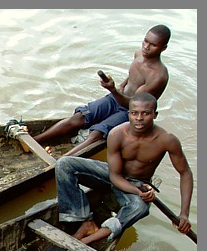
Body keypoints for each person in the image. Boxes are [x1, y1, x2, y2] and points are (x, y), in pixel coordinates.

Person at [56, 92, 193, 251]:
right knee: (64, 164)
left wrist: (184, 214)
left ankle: (90, 240)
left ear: (155, 115)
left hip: (138, 181)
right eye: (134, 113)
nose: (139, 118)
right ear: (128, 114)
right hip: (113, 174)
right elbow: (115, 176)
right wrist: (138, 192)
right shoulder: (117, 133)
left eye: (146, 113)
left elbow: (185, 173)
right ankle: (84, 220)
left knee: (140, 208)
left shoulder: (167, 140)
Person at [33, 25, 170, 157]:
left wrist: (113, 90)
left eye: (152, 45)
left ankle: (60, 161)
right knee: (80, 117)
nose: (146, 47)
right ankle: (34, 141)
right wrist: (120, 87)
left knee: (97, 134)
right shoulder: (138, 55)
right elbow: (133, 76)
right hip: (116, 97)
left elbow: (135, 105)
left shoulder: (158, 76)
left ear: (163, 48)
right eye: (145, 41)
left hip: (130, 111)